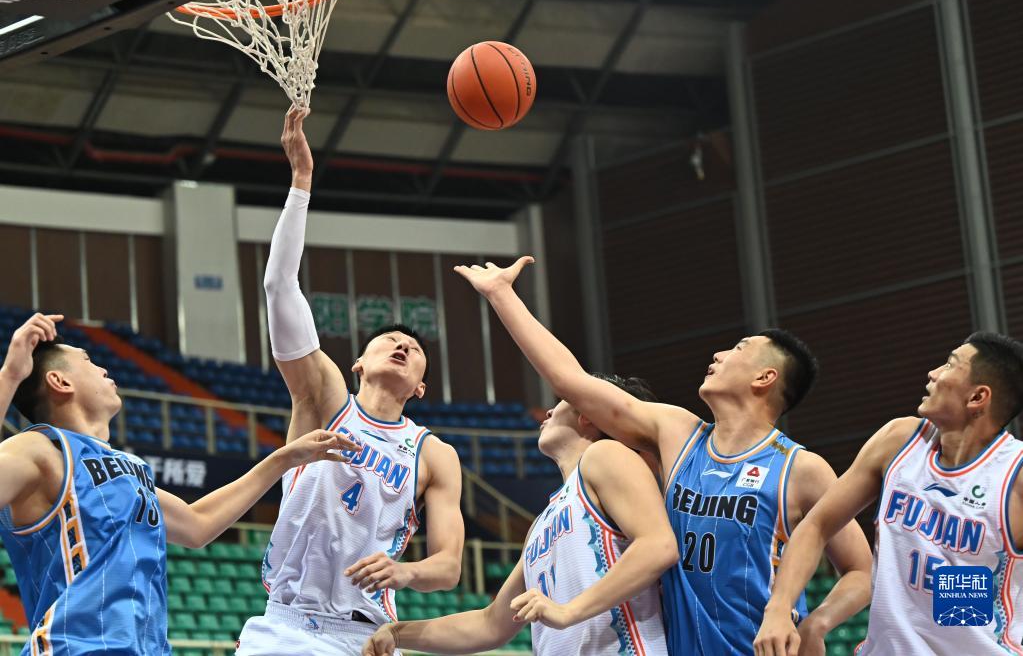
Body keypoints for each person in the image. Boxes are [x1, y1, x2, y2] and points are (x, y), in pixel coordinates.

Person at [450, 258, 874, 656]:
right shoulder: (679, 433)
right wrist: (502, 294)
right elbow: (570, 379)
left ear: (765, 377)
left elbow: (860, 570)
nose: (719, 354)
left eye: (739, 349)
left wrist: (818, 624)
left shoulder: (800, 469)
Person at [236, 107, 465, 655]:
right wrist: (301, 182)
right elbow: (279, 285)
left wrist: (405, 572)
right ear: (358, 363)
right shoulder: (325, 398)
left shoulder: (434, 454)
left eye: (414, 349)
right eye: (389, 340)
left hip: (368, 634)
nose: (402, 345)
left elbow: (450, 566)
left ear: (420, 388)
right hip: (288, 625)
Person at [0, 312, 354, 655]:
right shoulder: (40, 449)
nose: (103, 369)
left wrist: (283, 459)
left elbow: (198, 524)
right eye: (88, 360)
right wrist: (11, 375)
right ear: (60, 382)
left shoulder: (130, 468)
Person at [362, 373, 678, 656]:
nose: (549, 411)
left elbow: (658, 546)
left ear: (587, 414)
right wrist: (397, 633)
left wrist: (568, 611)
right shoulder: (541, 523)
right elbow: (490, 624)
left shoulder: (607, 455)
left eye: (561, 402)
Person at [756, 332, 1023, 656]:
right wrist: (783, 610)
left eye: (950, 365)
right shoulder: (899, 440)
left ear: (977, 397)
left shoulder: (1013, 474)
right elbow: (817, 525)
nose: (933, 373)